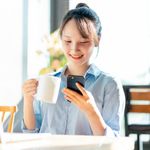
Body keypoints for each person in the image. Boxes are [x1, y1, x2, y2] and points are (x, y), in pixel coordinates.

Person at [22, 3, 125, 136]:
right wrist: (28, 99)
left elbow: (112, 143)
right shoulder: (49, 81)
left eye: (83, 42)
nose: (74, 49)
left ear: (97, 40)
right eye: (68, 41)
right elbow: (31, 133)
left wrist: (91, 111)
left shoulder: (110, 85)